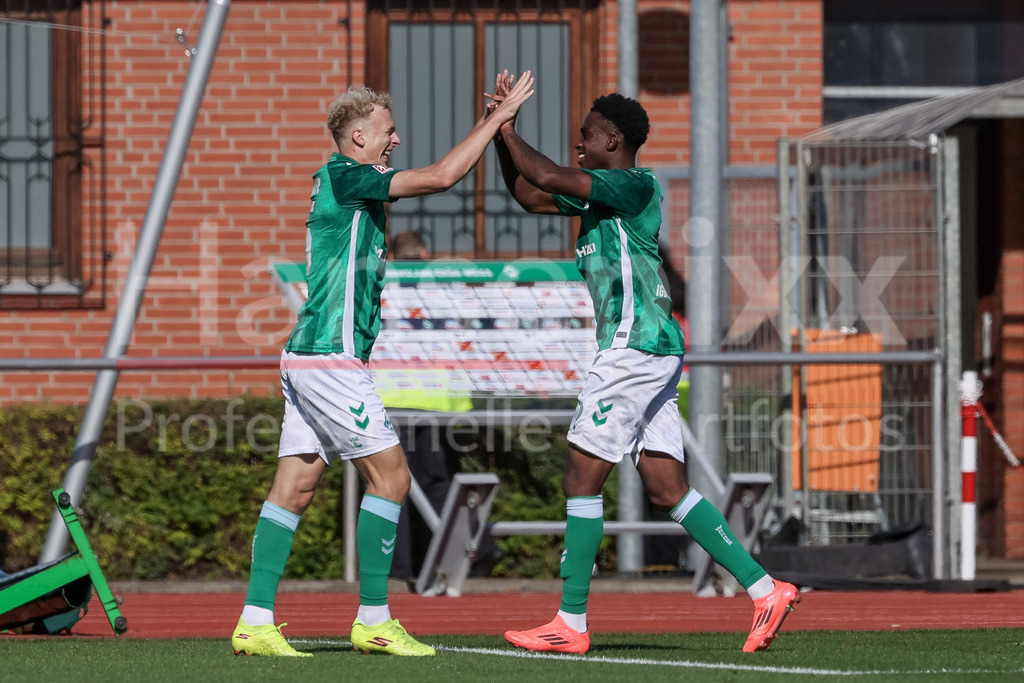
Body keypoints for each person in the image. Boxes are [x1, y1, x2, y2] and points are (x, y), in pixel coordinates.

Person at [487, 73, 799, 655]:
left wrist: (505, 126)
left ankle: (570, 623)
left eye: (586, 135)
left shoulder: (633, 184)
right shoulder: (599, 192)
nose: (579, 143)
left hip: (633, 347)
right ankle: (766, 588)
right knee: (666, 487)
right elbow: (529, 193)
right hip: (650, 347)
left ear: (612, 138)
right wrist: (504, 138)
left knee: (581, 476)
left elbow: (548, 174)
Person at [231, 72, 535, 658]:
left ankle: (255, 619)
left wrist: (490, 121)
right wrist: (497, 122)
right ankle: (373, 618)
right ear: (359, 138)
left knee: (294, 488)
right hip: (329, 359)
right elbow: (445, 177)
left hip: (310, 356)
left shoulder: (344, 178)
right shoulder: (351, 176)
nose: (395, 141)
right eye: (388, 133)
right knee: (392, 477)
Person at [381, 230, 499, 581]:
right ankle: (480, 547)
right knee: (433, 482)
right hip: (439, 400)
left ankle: (398, 569)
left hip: (392, 399)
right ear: (424, 251)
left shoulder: (384, 287)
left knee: (389, 487)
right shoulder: (446, 289)